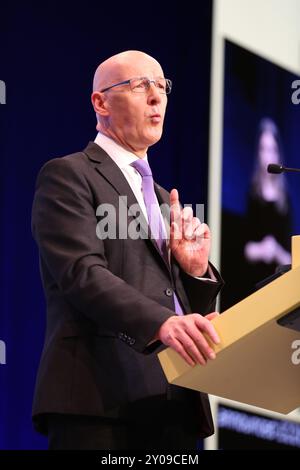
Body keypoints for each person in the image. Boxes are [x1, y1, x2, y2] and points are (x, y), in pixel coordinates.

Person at [31, 50, 224, 450]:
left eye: (162, 85)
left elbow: (175, 299)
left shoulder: (158, 196)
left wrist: (193, 271)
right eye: (140, 85)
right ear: (100, 102)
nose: (156, 96)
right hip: (100, 401)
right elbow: (82, 273)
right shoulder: (69, 175)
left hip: (173, 406)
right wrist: (160, 322)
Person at [244, 117, 292, 292]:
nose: (268, 156)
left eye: (272, 149)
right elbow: (245, 250)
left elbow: (290, 257)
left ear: (278, 153)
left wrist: (275, 250)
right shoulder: (251, 196)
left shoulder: (285, 200)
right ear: (258, 153)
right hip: (254, 284)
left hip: (280, 286)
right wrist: (262, 248)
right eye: (263, 149)